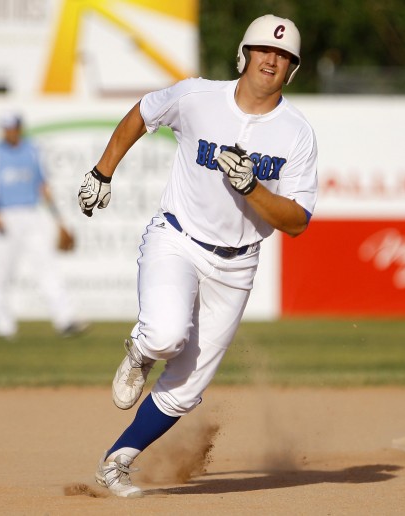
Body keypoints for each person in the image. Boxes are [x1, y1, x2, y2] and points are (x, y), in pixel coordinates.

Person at [78, 14, 318, 498]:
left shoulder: (296, 133)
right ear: (244, 54)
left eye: (284, 55)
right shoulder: (197, 97)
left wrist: (251, 187)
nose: (272, 59)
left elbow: (295, 221)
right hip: (178, 237)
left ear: (292, 69)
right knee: (166, 335)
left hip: (238, 263)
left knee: (186, 389)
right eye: (263, 49)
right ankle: (142, 350)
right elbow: (143, 113)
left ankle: (116, 463)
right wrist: (103, 172)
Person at [0, 111, 86, 340]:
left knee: (46, 265)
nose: (9, 132)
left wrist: (58, 219)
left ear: (19, 128)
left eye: (12, 128)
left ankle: (65, 319)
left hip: (30, 213)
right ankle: (3, 326)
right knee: (2, 273)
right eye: (6, 128)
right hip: (4, 214)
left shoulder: (32, 151)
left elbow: (42, 186)